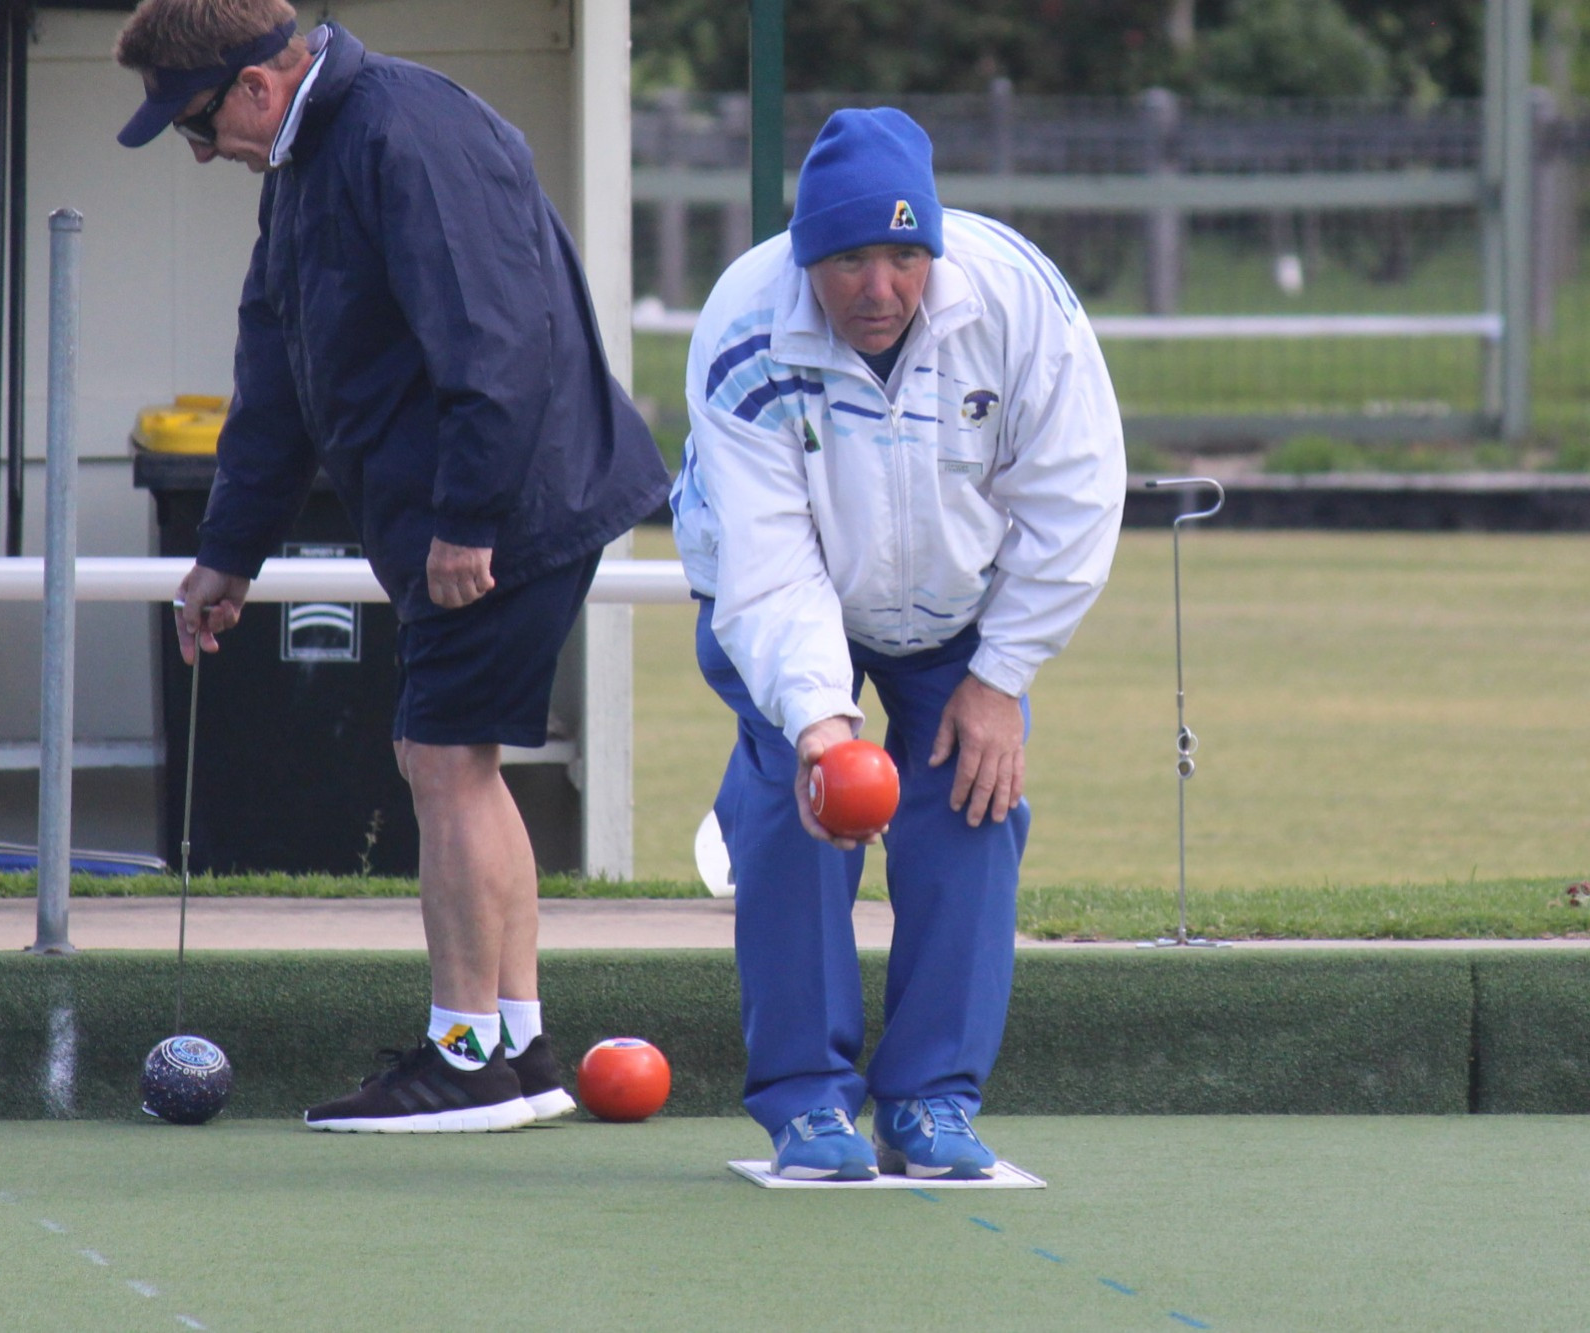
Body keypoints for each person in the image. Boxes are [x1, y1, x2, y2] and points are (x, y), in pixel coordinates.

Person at [112, 0, 669, 1132]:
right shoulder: (311, 161)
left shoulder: (400, 132)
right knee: (460, 759)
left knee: (439, 758)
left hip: (506, 505)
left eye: (196, 123)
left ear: (259, 85)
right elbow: (277, 371)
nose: (202, 148)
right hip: (486, 505)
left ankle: (463, 1060)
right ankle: (515, 1050)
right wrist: (228, 554)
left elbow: (491, 336)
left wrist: (468, 519)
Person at [671, 108, 1126, 1179]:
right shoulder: (742, 326)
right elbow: (766, 562)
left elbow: (1075, 500)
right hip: (782, 588)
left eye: (901, 255)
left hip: (955, 599)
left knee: (974, 796)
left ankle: (929, 1099)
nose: (878, 287)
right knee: (801, 799)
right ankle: (806, 1104)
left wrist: (999, 677)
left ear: (934, 246)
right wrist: (826, 728)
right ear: (803, 256)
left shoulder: (1017, 303)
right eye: (846, 261)